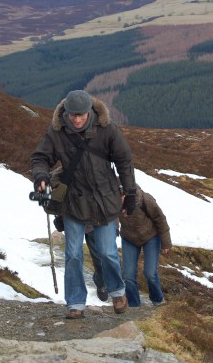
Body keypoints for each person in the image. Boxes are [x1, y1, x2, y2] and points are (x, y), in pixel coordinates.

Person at [31, 90, 136, 319]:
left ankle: (118, 292)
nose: (76, 119)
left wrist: (130, 192)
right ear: (66, 113)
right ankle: (75, 303)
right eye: (72, 115)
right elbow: (41, 157)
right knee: (73, 255)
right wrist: (41, 176)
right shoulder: (57, 132)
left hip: (104, 201)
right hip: (74, 203)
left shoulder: (106, 129)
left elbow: (124, 160)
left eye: (81, 115)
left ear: (90, 111)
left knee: (108, 253)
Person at [119, 184, 172, 307]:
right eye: (118, 194)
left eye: (123, 194)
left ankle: (158, 300)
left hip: (150, 237)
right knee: (128, 275)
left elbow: (160, 219)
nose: (120, 198)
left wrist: (166, 244)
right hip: (128, 239)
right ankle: (134, 305)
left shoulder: (144, 199)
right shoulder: (112, 203)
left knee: (150, 273)